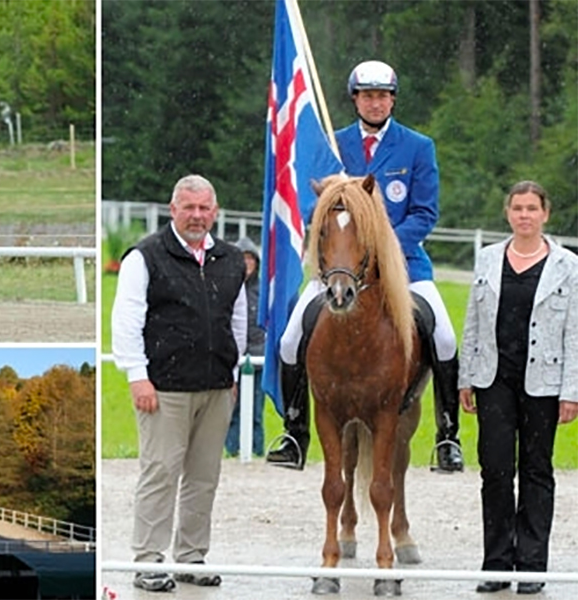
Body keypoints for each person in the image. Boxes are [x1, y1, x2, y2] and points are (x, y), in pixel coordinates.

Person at [267, 60, 464, 473]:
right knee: (289, 339)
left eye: (383, 95)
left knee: (443, 337)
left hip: (406, 265)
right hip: (340, 267)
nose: (376, 103)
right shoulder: (331, 148)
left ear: (393, 99)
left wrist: (383, 249)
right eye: (367, 95)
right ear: (355, 99)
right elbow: (315, 210)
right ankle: (294, 430)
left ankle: (448, 434)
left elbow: (425, 213)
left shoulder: (417, 147)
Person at [112, 174, 248, 592]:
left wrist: (234, 372)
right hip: (163, 389)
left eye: (204, 208)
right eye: (188, 207)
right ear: (173, 210)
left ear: (215, 212)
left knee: (204, 477)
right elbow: (126, 320)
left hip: (215, 388)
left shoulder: (230, 259)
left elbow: (237, 320)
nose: (196, 215)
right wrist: (138, 377)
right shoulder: (145, 256)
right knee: (160, 473)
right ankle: (148, 561)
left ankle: (191, 556)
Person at [458, 181, 578, 595]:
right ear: (508, 213)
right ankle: (495, 562)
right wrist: (465, 377)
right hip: (494, 379)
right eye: (518, 208)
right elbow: (472, 322)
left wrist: (571, 390)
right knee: (494, 469)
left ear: (545, 214)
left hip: (543, 382)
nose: (524, 215)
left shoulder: (567, 265)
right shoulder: (488, 260)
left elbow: (575, 331)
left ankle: (531, 564)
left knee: (536, 469)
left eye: (532, 208)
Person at [224, 237, 267, 458]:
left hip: (258, 356)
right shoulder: (226, 287)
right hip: (232, 355)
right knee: (232, 408)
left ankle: (257, 449)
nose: (247, 263)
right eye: (243, 259)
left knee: (256, 409)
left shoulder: (264, 291)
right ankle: (232, 450)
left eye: (251, 259)